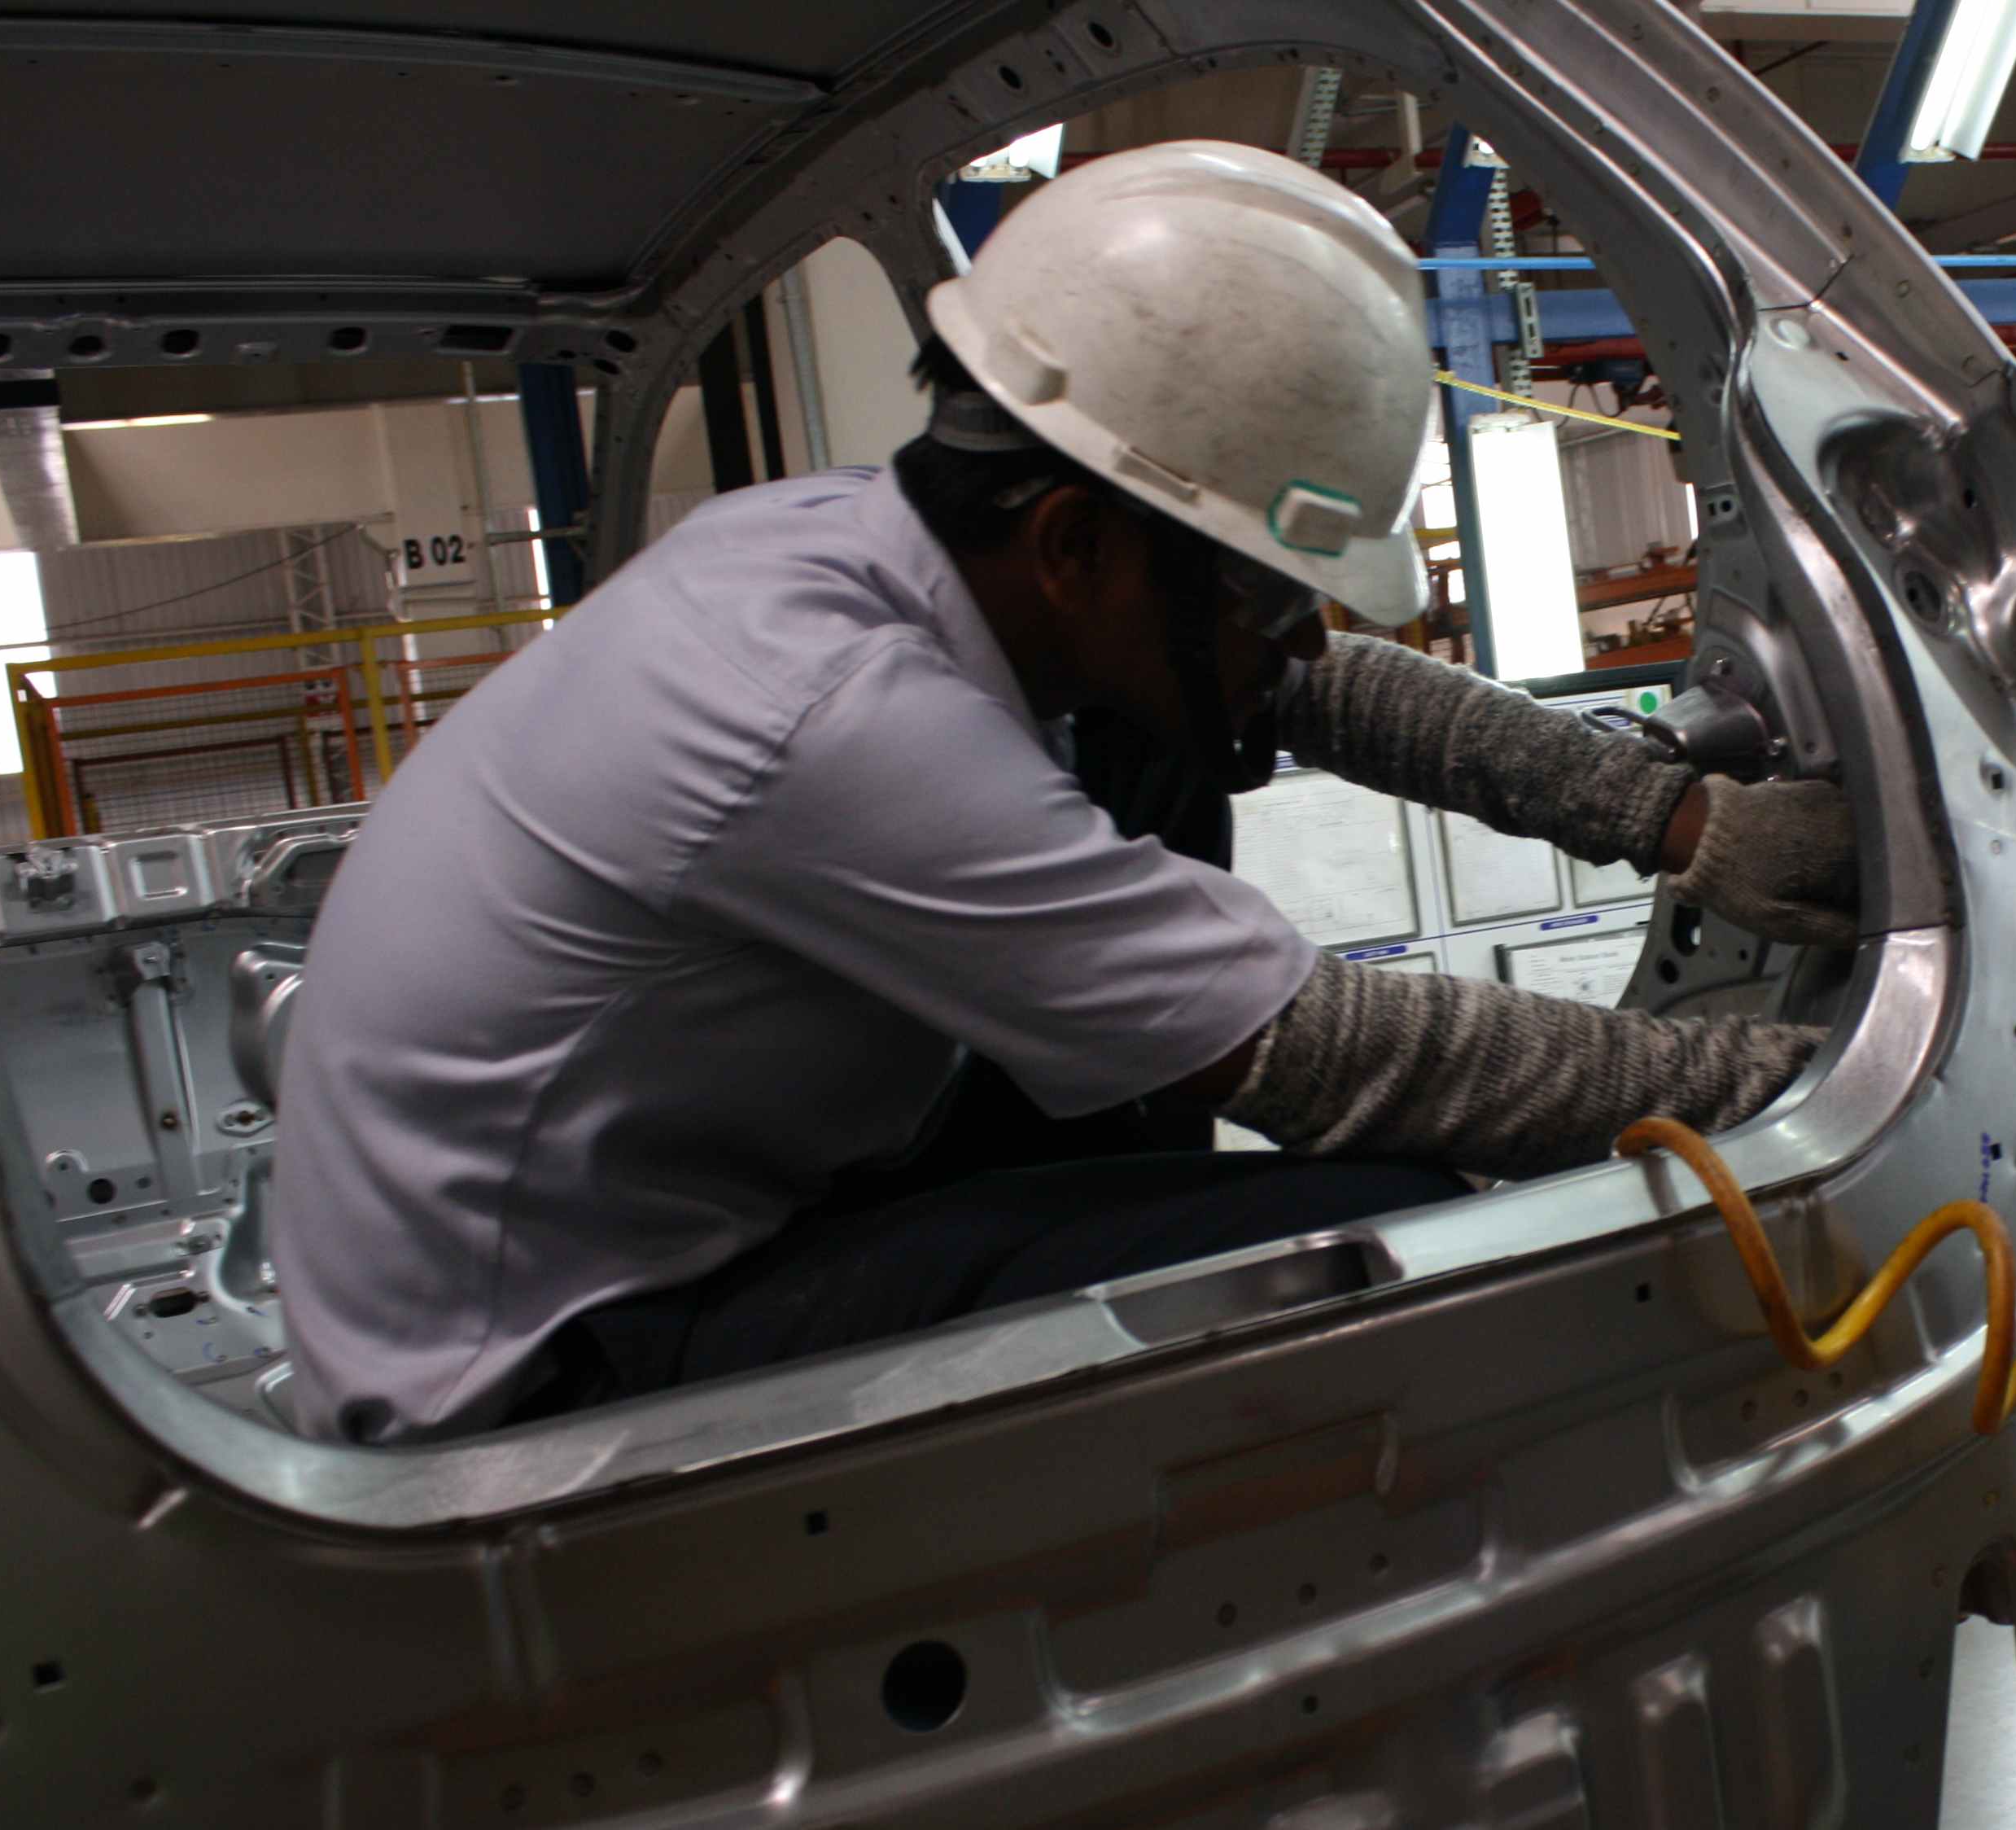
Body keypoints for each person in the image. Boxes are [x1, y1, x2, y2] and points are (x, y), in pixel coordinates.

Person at [271, 141, 1859, 1447]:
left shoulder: (878, 549)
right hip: (531, 1374)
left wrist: (1681, 822)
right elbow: (1334, 1057)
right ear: (1074, 543)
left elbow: (1308, 683)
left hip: (684, 1211)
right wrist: (1804, 1090)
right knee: (1377, 1229)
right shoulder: (828, 717)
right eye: (1269, 590)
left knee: (1165, 722)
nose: (1301, 635)